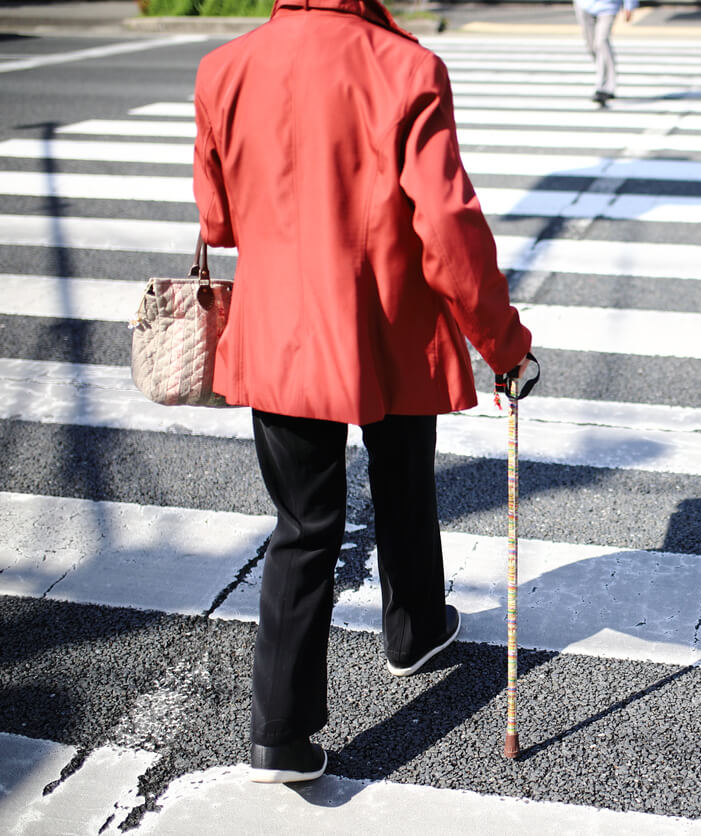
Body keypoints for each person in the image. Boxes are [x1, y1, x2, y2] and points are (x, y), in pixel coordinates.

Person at [193, 0, 533, 784]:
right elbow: (448, 230)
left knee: (305, 522)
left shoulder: (224, 67)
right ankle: (413, 631)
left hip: (284, 326)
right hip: (391, 322)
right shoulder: (407, 67)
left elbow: (217, 221)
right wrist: (504, 346)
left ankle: (280, 732)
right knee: (405, 481)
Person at [573, 0, 637, 106]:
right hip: (584, 5)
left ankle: (606, 87)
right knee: (591, 46)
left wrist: (629, 6)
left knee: (601, 42)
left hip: (608, 6)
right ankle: (603, 76)